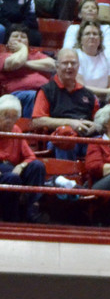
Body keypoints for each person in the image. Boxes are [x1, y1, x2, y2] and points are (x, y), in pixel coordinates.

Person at [31, 48, 100, 159]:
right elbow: (37, 121)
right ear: (57, 67)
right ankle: (66, 175)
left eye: (73, 63)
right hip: (60, 139)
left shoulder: (88, 94)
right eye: (65, 63)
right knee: (66, 136)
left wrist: (96, 126)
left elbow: (100, 120)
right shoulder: (47, 90)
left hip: (86, 138)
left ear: (78, 66)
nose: (69, 67)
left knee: (104, 141)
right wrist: (71, 123)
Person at [0, 92, 47, 222]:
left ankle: (31, 211)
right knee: (12, 177)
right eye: (6, 116)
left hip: (13, 169)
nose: (10, 121)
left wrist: (21, 166)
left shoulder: (15, 129)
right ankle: (11, 217)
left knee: (37, 166)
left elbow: (30, 157)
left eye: (14, 117)